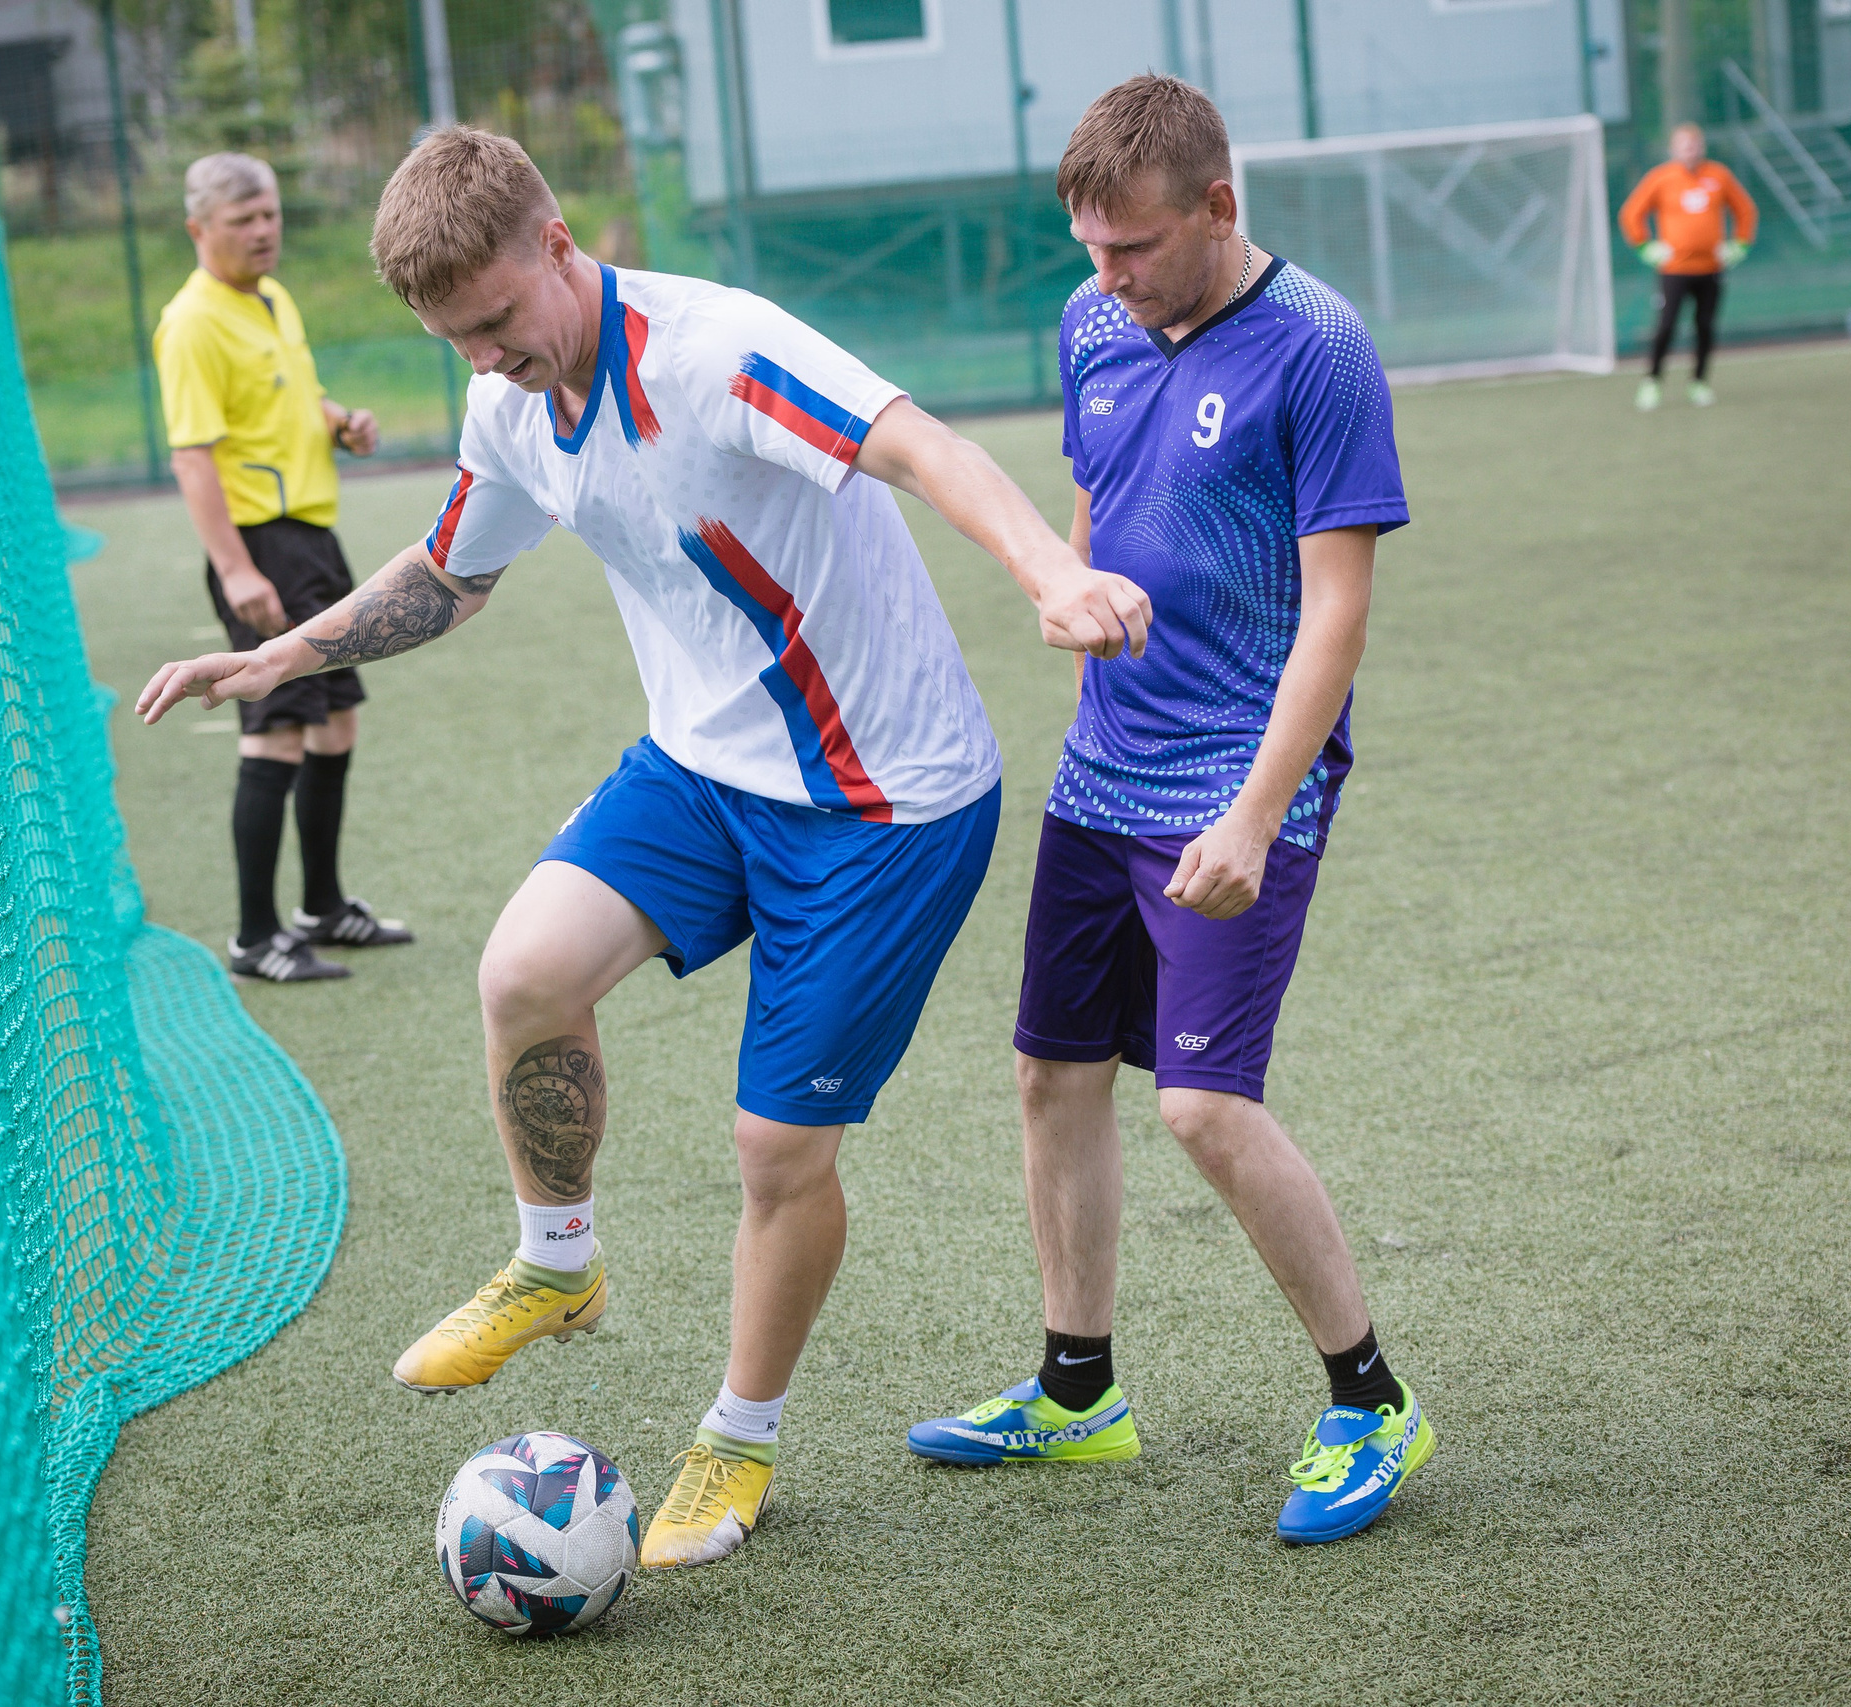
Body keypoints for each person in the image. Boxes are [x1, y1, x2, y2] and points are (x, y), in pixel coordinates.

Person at [134, 127, 1152, 1568]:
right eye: (455, 343)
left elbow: (918, 443)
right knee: (524, 973)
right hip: (700, 766)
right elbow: (450, 572)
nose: (487, 360)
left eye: (496, 323)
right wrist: (278, 657)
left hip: (884, 803)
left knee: (776, 1146)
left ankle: (737, 1441)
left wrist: (1055, 570)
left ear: (560, 247)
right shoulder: (508, 401)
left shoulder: (718, 349)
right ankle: (560, 1265)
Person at [903, 74, 1433, 1547]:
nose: (1106, 279)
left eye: (1132, 248)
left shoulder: (1318, 350)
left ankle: (1373, 1398)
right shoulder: (1093, 321)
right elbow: (1097, 485)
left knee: (1203, 1101)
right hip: (1101, 768)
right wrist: (1074, 598)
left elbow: (1336, 616)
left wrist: (1257, 815)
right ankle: (1080, 1390)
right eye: (1088, 248)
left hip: (1239, 781)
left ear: (1217, 208)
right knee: (1052, 1073)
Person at [154, 151, 417, 985]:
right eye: (243, 221)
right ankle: (254, 934)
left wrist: (340, 421)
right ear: (200, 230)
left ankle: (323, 907)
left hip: (313, 536)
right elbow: (194, 458)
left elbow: (287, 397)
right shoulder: (191, 322)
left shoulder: (271, 299)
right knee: (277, 730)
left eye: (269, 214)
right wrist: (235, 570)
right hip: (262, 544)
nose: (264, 231)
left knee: (336, 720)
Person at [1618, 122, 1757, 410]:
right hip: (1675, 270)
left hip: (1711, 268)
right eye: (1684, 144)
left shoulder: (1718, 175)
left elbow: (1745, 210)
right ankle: (1652, 382)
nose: (1690, 150)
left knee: (1705, 326)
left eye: (1694, 144)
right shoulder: (1661, 178)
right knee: (1666, 326)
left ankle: (1699, 383)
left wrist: (1738, 245)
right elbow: (1631, 214)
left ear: (1702, 146)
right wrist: (1646, 248)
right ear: (1673, 149)